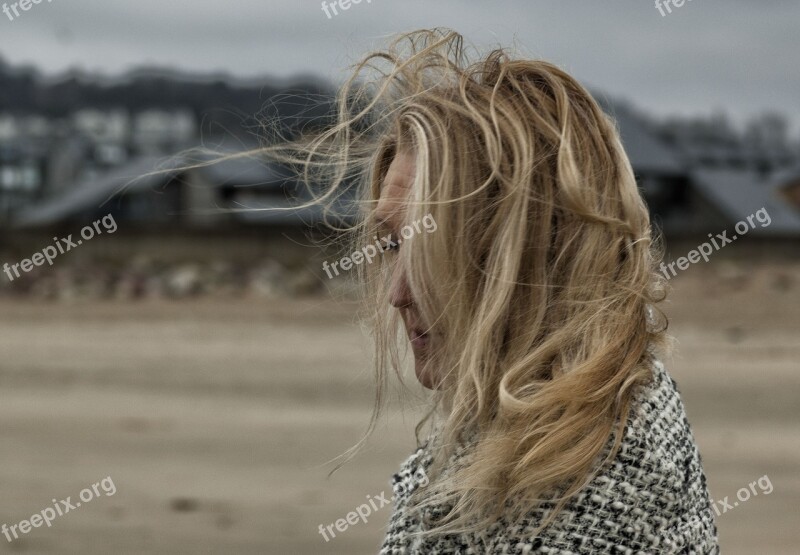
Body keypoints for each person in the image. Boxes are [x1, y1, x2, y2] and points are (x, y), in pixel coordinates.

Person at [215, 27, 720, 553]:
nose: (397, 294)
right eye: (390, 246)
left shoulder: (570, 501)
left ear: (537, 252)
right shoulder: (592, 412)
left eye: (433, 250)